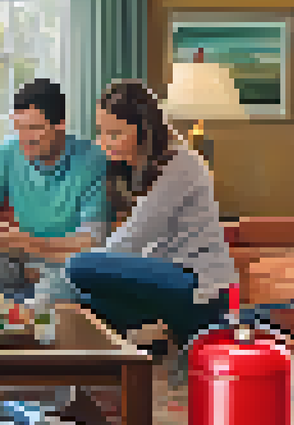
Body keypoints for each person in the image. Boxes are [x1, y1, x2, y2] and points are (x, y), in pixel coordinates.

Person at [54, 78, 238, 353]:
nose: (103, 142)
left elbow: (133, 239)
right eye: (101, 132)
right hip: (173, 283)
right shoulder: (139, 169)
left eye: (114, 134)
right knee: (81, 299)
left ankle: (156, 335)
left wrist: (67, 272)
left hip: (203, 288)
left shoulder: (180, 164)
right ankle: (149, 341)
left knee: (79, 267)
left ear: (144, 132)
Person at [0, 78, 109, 302]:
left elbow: (92, 240)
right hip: (23, 262)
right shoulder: (9, 151)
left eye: (34, 128)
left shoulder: (92, 160)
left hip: (66, 262)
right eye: (19, 128)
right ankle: (22, 302)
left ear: (60, 124)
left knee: (55, 291)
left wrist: (28, 242)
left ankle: (22, 302)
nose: (25, 139)